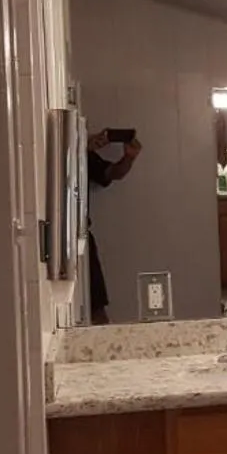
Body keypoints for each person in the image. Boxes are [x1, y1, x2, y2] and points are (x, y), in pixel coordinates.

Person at [85, 129, 141, 324]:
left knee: (97, 310)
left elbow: (112, 173)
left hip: (81, 237)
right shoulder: (70, 149)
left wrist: (129, 157)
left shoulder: (84, 154)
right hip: (61, 236)